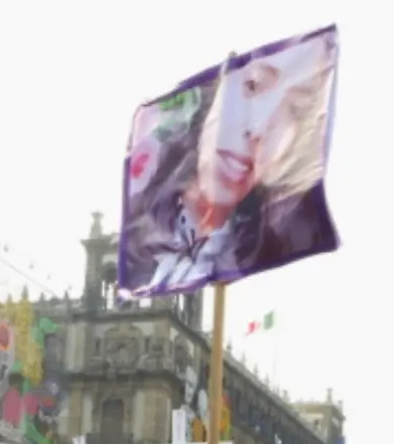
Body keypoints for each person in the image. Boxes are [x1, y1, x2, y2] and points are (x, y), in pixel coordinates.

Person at [122, 31, 339, 292]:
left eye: (295, 110)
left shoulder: (252, 244)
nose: (260, 130)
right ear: (209, 107)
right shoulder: (145, 232)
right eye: (253, 86)